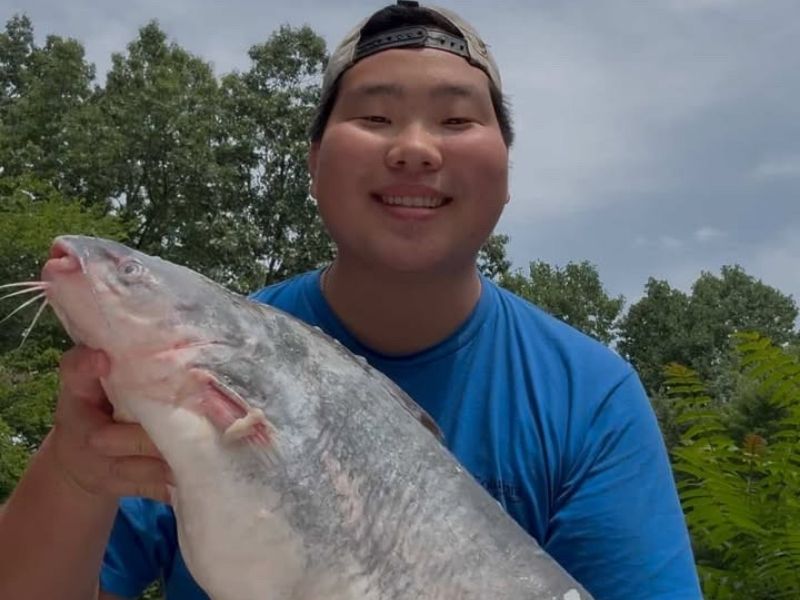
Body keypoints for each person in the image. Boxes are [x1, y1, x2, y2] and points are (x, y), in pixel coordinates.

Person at [0, 2, 702, 599]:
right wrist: (72, 474)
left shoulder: (590, 397)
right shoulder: (170, 375)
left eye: (457, 121)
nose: (415, 149)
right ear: (313, 164)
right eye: (374, 116)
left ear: (507, 170)